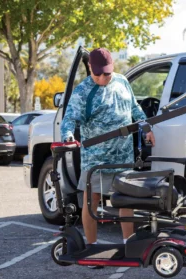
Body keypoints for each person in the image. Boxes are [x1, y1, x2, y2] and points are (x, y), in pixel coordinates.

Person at [61, 48, 155, 267]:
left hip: (122, 154)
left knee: (126, 198)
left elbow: (135, 109)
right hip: (96, 158)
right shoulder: (84, 90)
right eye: (98, 74)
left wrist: (146, 127)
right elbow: (69, 118)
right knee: (91, 200)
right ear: (91, 71)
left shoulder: (122, 82)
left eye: (107, 74)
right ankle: (93, 248)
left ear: (113, 68)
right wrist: (67, 136)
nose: (102, 78)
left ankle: (128, 243)